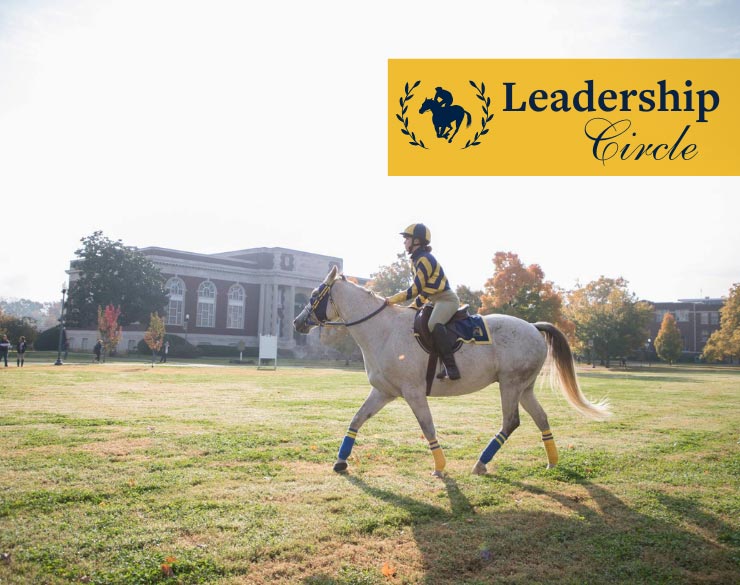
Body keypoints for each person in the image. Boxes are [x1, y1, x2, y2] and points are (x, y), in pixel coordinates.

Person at [385, 223, 461, 379]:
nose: (404, 241)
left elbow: (415, 289)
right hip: (434, 301)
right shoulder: (417, 260)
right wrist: (411, 308)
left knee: (433, 324)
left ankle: (451, 368)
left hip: (447, 300)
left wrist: (391, 300)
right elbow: (425, 292)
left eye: (407, 238)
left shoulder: (424, 260)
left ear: (417, 241)